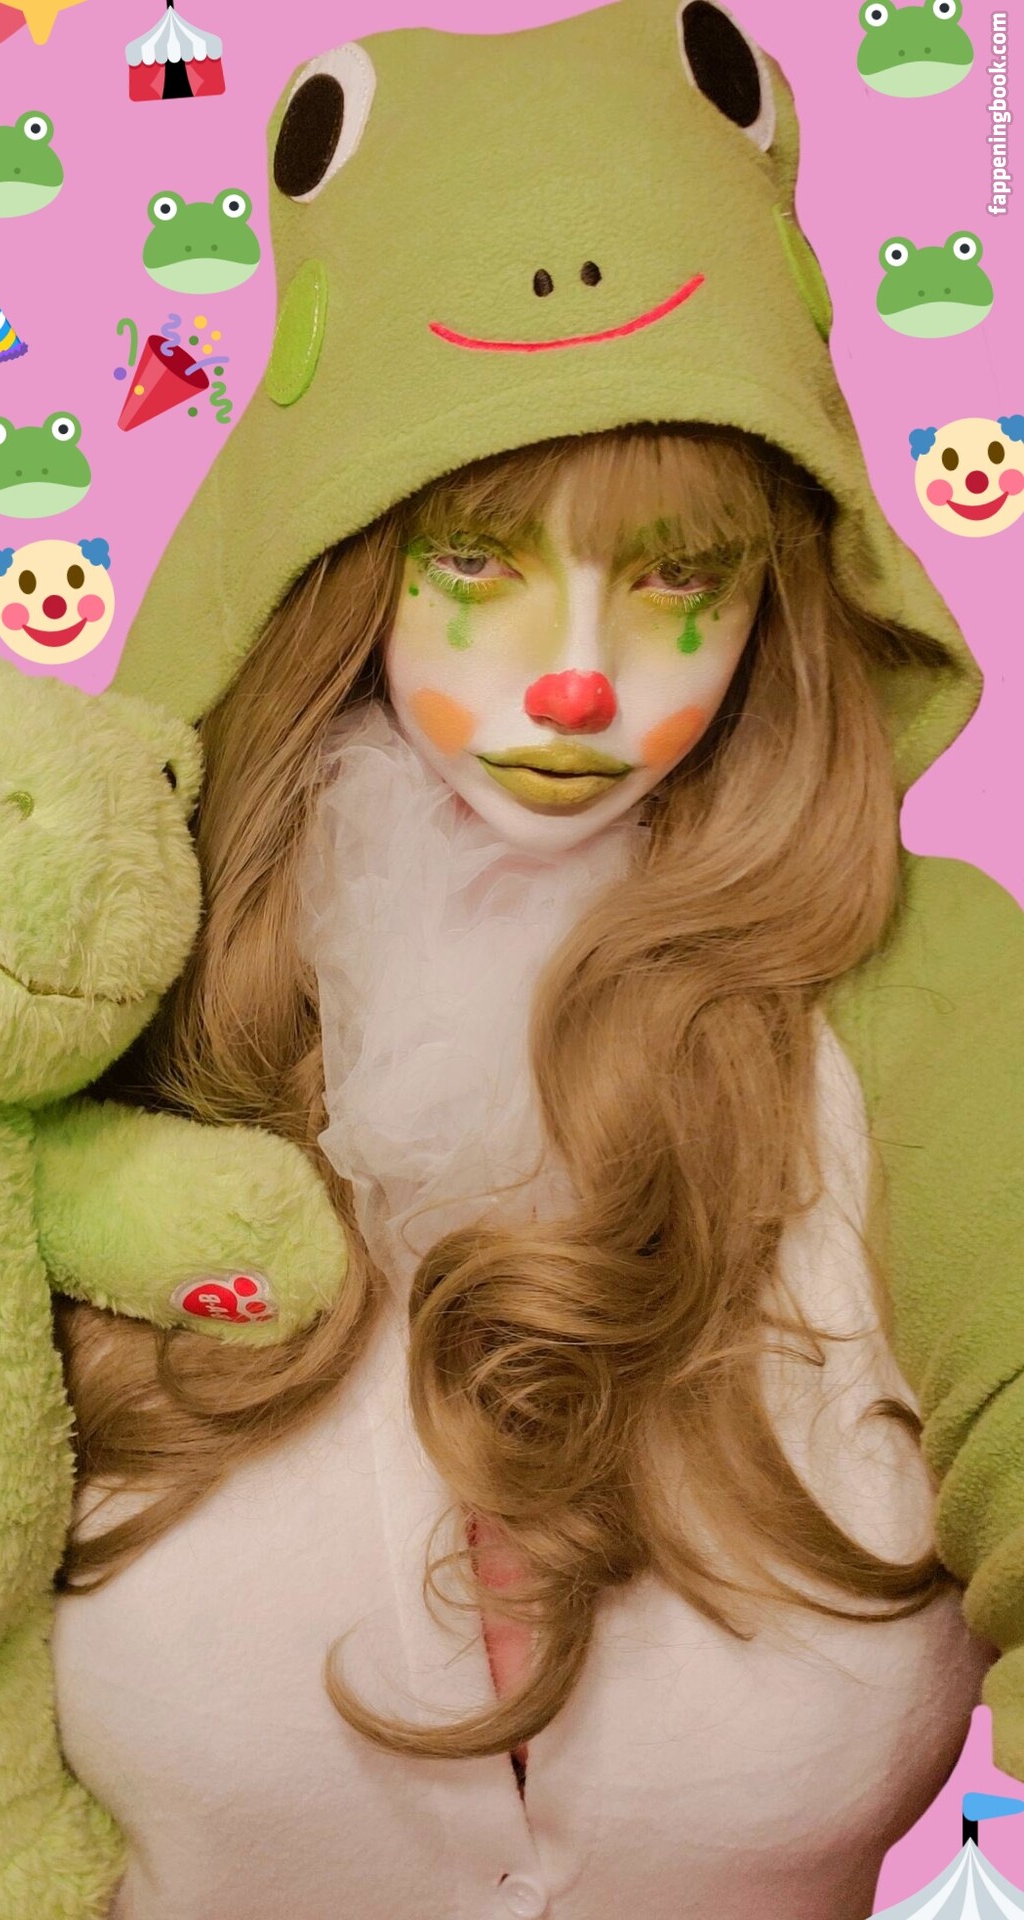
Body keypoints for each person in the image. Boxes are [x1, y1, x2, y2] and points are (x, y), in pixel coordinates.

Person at [52, 4, 1024, 1917]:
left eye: (680, 575)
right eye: (481, 560)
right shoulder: (75, 1004)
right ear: (334, 557)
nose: (577, 681)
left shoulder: (934, 997)